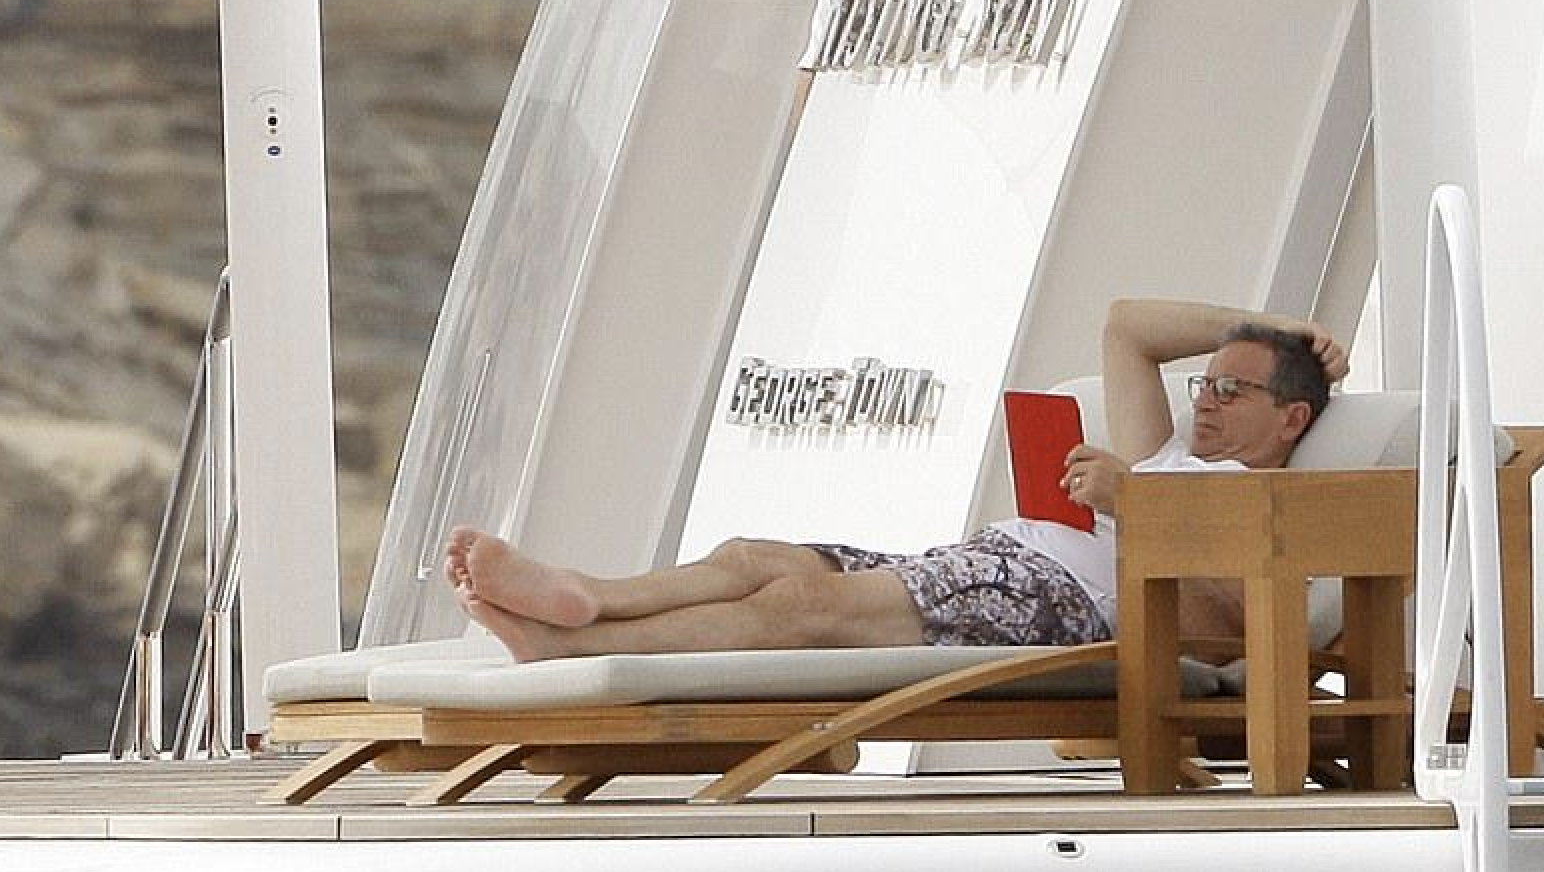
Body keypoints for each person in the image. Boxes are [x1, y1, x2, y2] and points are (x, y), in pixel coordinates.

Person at [446, 299, 1349, 662]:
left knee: (801, 602)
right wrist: (1280, 327)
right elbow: (1126, 327)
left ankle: (581, 649)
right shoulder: (1169, 457)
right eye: (1209, 383)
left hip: (1062, 604)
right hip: (995, 562)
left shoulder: (1270, 504)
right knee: (756, 554)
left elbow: (1244, 628)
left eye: (1237, 391)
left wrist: (1137, 507)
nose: (1210, 402)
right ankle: (587, 596)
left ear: (1292, 419)